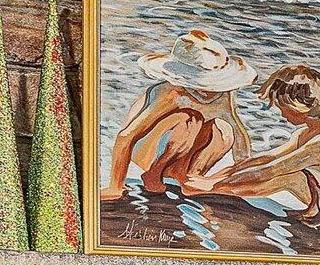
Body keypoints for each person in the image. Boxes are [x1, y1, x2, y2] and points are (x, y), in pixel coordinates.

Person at [184, 63, 320, 256]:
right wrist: (219, 175)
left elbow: (269, 171)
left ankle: (208, 191)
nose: (280, 112)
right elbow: (267, 158)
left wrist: (213, 185)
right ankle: (209, 186)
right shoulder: (308, 133)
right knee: (289, 178)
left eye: (281, 105)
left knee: (285, 179)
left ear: (297, 105)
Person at [105, 30, 255, 196]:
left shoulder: (223, 94)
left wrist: (242, 173)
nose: (210, 91)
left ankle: (189, 176)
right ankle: (154, 173)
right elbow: (126, 136)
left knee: (224, 130)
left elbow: (237, 133)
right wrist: (116, 186)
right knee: (190, 119)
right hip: (147, 150)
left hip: (183, 153)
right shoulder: (171, 93)